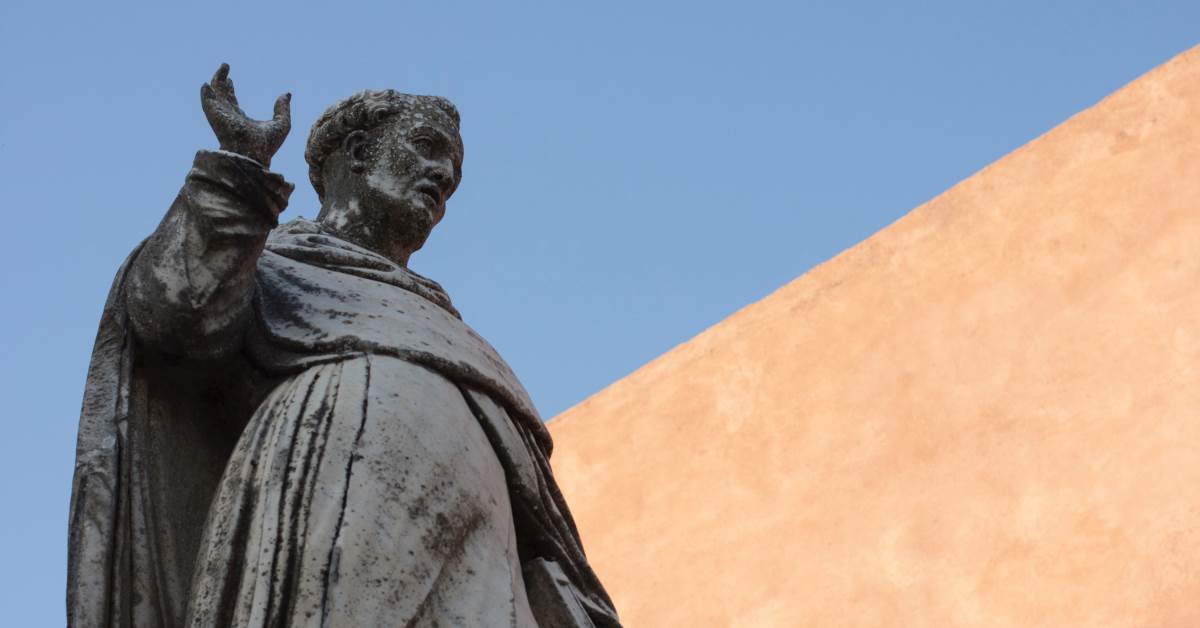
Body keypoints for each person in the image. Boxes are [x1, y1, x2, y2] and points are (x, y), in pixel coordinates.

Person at [67, 64, 620, 628]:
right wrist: (236, 173)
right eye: (427, 148)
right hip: (327, 522)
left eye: (453, 174)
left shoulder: (451, 329)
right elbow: (174, 312)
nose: (443, 174)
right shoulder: (266, 265)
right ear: (357, 152)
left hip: (481, 567)